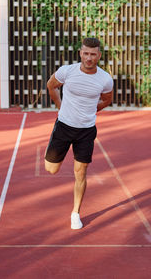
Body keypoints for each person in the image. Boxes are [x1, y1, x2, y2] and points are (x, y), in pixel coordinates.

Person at [44, 37, 113, 230]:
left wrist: (91, 111)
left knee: (80, 172)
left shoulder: (105, 79)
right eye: (86, 53)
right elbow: (51, 86)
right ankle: (54, 154)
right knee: (51, 169)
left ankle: (75, 213)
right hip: (64, 126)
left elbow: (107, 99)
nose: (89, 57)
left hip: (86, 130)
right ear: (80, 53)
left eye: (93, 54)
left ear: (98, 55)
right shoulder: (67, 71)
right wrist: (60, 105)